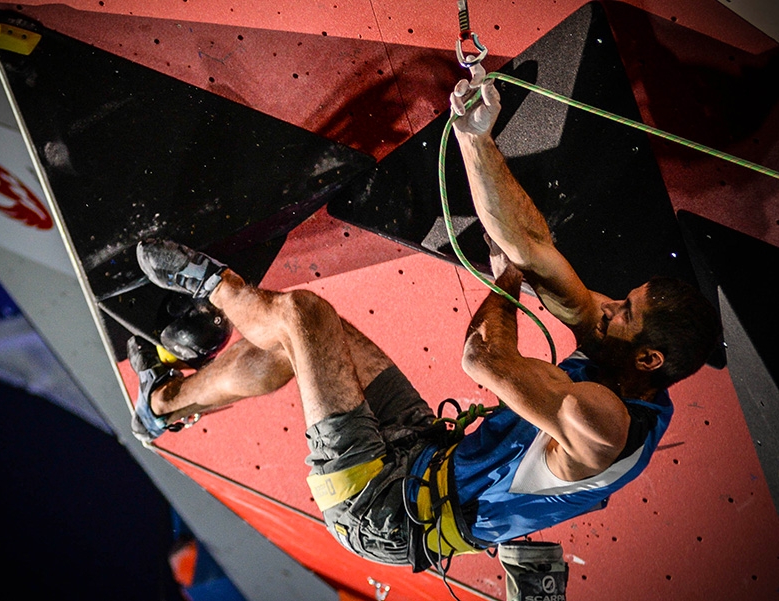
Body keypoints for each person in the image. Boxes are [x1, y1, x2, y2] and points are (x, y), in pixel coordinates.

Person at [126, 65, 722, 573]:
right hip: (424, 453)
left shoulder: (604, 425)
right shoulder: (622, 359)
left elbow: (484, 357)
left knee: (304, 314)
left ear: (649, 358)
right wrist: (474, 137)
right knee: (296, 343)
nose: (606, 304)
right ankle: (163, 406)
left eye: (623, 312)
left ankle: (210, 283)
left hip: (383, 511)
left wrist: (508, 284)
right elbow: (533, 245)